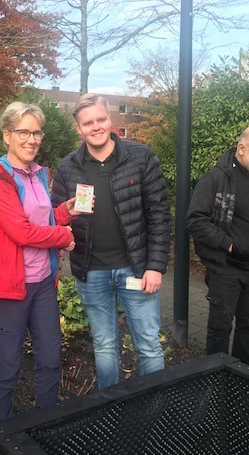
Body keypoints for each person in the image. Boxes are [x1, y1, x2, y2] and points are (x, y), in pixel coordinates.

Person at [51, 93, 171, 389]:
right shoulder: (67, 167)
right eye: (88, 122)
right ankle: (111, 408)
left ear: (110, 120)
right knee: (104, 346)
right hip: (92, 272)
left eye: (101, 119)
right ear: (78, 128)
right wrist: (64, 231)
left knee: (148, 345)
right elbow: (56, 217)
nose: (96, 127)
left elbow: (158, 213)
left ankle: (157, 406)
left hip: (136, 270)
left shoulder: (141, 157)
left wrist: (155, 266)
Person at [0, 102, 80, 424]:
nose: (31, 139)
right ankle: (2, 438)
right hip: (8, 289)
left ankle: (45, 428)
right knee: (7, 367)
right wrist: (63, 237)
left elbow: (43, 218)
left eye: (36, 132)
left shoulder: (40, 174)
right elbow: (20, 231)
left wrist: (65, 212)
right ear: (7, 135)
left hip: (43, 284)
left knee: (50, 360)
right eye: (23, 132)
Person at [186, 126, 249, 366]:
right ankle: (215, 373)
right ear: (241, 148)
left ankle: (242, 370)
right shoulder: (217, 178)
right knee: (220, 327)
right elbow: (195, 219)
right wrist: (228, 244)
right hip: (227, 268)